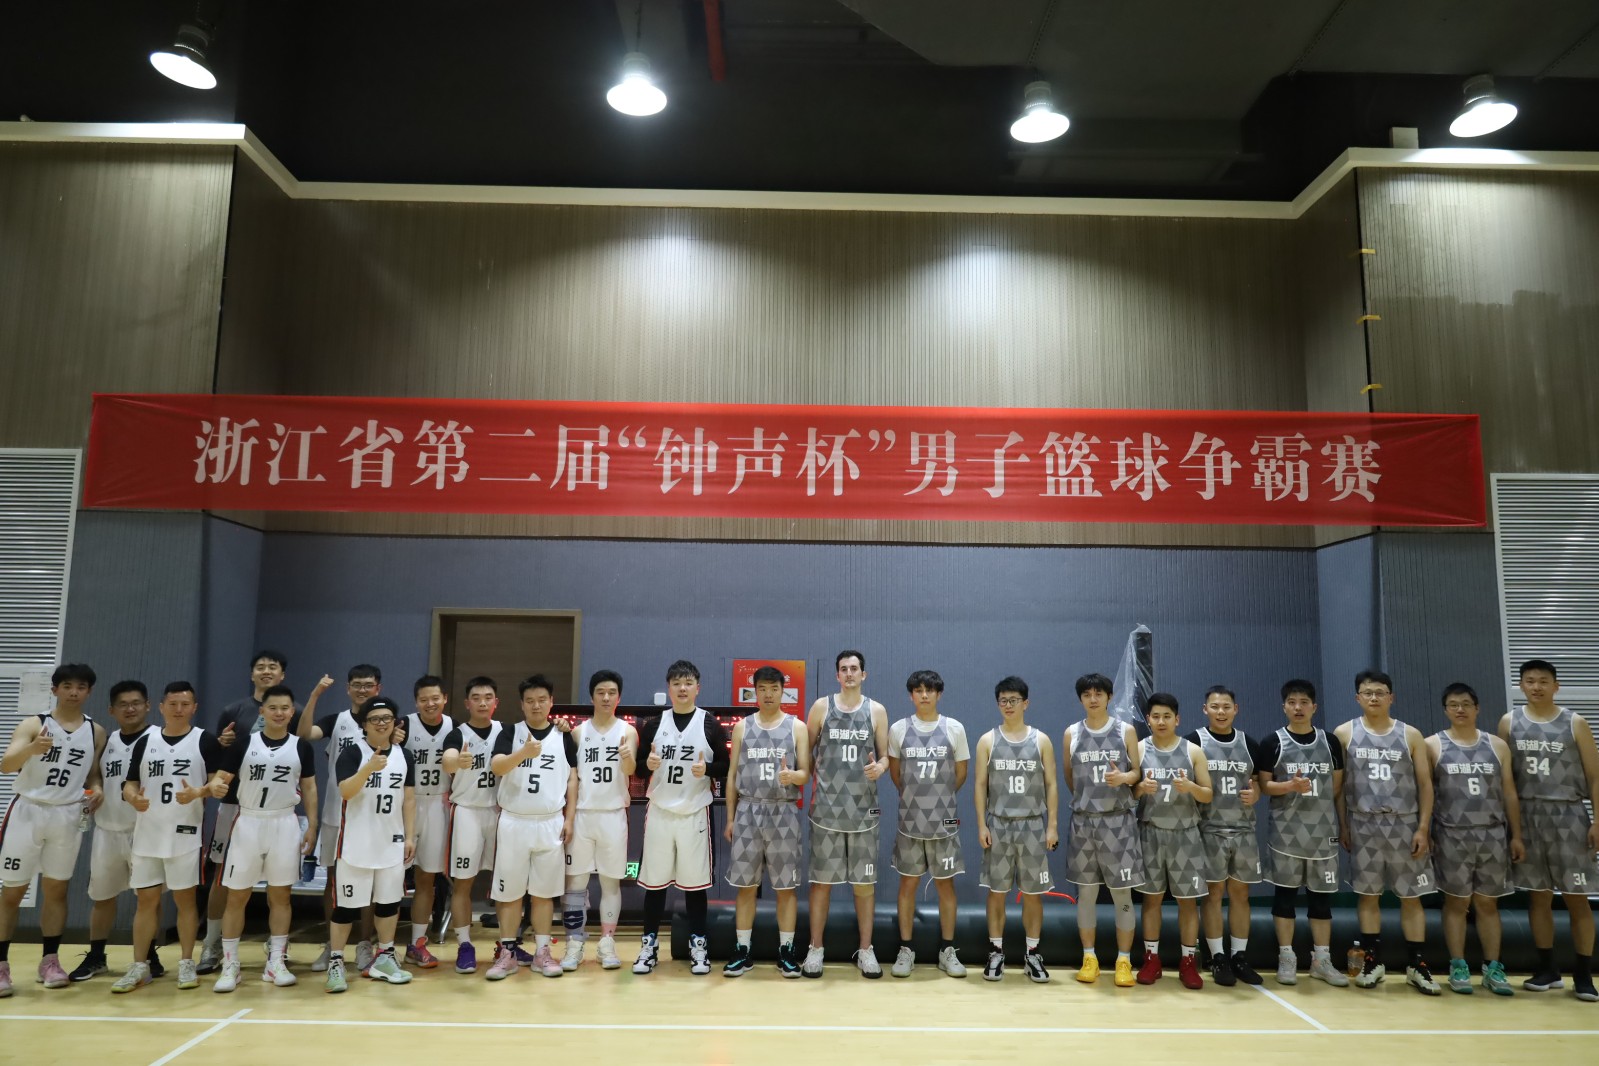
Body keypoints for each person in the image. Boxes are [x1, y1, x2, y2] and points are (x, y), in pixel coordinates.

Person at [111, 682, 227, 994]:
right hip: (148, 832)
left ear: (194, 708)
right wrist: (132, 797)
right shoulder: (145, 741)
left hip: (185, 834)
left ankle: (187, 962)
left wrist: (199, 792)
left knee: (184, 900)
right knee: (146, 901)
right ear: (161, 707)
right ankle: (140, 965)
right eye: (173, 704)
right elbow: (129, 783)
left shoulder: (204, 740)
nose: (178, 709)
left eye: (185, 704)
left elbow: (218, 782)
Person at [0, 663, 106, 997]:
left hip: (67, 815)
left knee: (57, 889)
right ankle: (1, 965)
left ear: (89, 692)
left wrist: (97, 788)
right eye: (68, 686)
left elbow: (92, 773)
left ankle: (50, 960)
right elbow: (6, 765)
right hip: (28, 811)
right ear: (55, 689)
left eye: (81, 687)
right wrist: (30, 749)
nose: (74, 692)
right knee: (12, 891)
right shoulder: (34, 724)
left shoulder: (96, 731)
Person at [1499, 658, 1599, 1001]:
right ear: (1521, 685)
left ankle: (1584, 974)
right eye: (1530, 681)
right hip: (1527, 814)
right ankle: (1548, 969)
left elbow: (1595, 776)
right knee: (1538, 896)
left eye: (1543, 681)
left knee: (1576, 897)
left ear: (1556, 686)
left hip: (1568, 813)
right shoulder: (1509, 722)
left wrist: (1597, 820)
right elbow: (1505, 778)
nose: (1536, 686)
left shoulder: (1575, 722)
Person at [1334, 669, 1439, 995]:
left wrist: (1423, 827)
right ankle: (1372, 960)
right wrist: (1343, 825)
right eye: (1368, 693)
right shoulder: (1344, 733)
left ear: (1391, 697)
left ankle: (1417, 964)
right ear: (1358, 698)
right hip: (1363, 822)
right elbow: (1339, 787)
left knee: (1411, 897)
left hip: (1404, 823)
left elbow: (1425, 785)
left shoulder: (1411, 734)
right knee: (1368, 896)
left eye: (1380, 692)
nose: (1374, 698)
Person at [210, 683, 320, 992]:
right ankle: (230, 964)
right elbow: (222, 778)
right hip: (248, 821)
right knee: (237, 896)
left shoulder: (301, 747)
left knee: (281, 896)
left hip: (285, 822)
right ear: (262, 711)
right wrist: (214, 786)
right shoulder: (244, 744)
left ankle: (275, 962)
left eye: (285, 708)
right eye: (273, 708)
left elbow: (309, 787)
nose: (279, 713)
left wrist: (312, 825)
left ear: (292, 712)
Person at [197, 649, 293, 975]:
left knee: (280, 884)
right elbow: (218, 755)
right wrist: (221, 743)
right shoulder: (234, 710)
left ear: (282, 674)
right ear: (252, 674)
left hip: (277, 810)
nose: (266, 671)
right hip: (236, 806)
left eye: (273, 667)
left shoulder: (292, 710)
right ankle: (212, 944)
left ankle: (277, 949)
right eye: (260, 667)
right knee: (223, 876)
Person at [632, 660, 730, 976]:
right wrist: (646, 764)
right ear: (669, 687)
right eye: (676, 683)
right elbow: (637, 769)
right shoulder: (653, 725)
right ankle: (649, 946)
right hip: (660, 811)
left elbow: (727, 766)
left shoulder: (710, 724)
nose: (682, 688)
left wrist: (708, 769)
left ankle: (698, 946)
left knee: (694, 886)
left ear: (697, 688)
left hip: (694, 812)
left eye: (688, 683)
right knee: (655, 885)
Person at [1428, 682, 1522, 995]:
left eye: (1466, 704)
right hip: (1451, 833)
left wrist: (1516, 835)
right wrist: (1425, 831)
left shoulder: (1497, 745)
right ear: (1445, 710)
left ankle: (1493, 967)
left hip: (1492, 834)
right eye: (1453, 705)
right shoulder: (1432, 745)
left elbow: (1509, 793)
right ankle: (1458, 965)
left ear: (1477, 708)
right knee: (1457, 903)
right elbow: (1425, 793)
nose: (1460, 709)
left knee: (1487, 904)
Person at [802, 649, 890, 978]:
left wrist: (880, 768)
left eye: (854, 668)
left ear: (863, 674)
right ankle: (815, 949)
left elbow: (885, 756)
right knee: (821, 884)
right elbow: (805, 751)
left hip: (863, 812)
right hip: (826, 810)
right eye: (844, 669)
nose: (849, 673)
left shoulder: (876, 710)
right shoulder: (821, 707)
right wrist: (811, 778)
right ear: (837, 675)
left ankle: (866, 950)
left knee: (864, 885)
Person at [485, 675, 578, 980]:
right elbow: (497, 766)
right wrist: (522, 753)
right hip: (515, 821)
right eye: (530, 701)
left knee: (544, 893)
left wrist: (569, 818)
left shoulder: (564, 735)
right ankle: (508, 952)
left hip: (550, 822)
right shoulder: (510, 732)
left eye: (542, 700)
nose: (536, 706)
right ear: (522, 704)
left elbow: (572, 779)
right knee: (510, 893)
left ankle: (542, 952)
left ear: (551, 702)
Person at [71, 680, 162, 982]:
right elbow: (94, 776)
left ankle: (149, 954)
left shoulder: (159, 739)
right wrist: (95, 788)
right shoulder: (106, 741)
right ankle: (97, 956)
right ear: (111, 710)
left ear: (148, 705)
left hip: (145, 831)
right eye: (123, 704)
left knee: (149, 898)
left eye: (136, 703)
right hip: (107, 829)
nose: (130, 708)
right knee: (102, 897)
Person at [297, 664, 386, 973]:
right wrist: (315, 695)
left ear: (378, 688)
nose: (362, 689)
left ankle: (365, 944)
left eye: (368, 685)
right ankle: (332, 945)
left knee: (370, 882)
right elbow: (304, 734)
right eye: (357, 684)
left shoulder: (387, 723)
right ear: (348, 689)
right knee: (333, 882)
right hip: (337, 814)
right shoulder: (337, 721)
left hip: (373, 817)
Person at [723, 666, 811, 978]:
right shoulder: (742, 727)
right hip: (748, 810)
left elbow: (806, 773)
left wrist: (793, 776)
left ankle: (786, 952)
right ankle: (742, 950)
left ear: (783, 691)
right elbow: (732, 776)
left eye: (774, 688)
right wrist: (730, 818)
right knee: (745, 886)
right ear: (755, 692)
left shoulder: (797, 727)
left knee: (786, 888)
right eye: (762, 688)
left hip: (783, 812)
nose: (768, 694)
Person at [1260, 678, 1347, 987]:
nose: (1298, 707)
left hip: (1323, 832)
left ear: (1314, 707)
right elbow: (1264, 785)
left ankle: (1321, 960)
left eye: (1304, 702)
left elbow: (1336, 786)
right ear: (1284, 707)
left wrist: (1341, 825)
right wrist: (1290, 786)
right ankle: (1287, 958)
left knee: (1321, 901)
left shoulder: (1330, 742)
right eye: (1292, 702)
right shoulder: (1272, 742)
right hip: (1286, 833)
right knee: (1284, 897)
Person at [326, 696, 416, 992]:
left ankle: (385, 957)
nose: (381, 723)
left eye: (387, 718)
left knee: (389, 904)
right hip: (356, 843)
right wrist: (368, 768)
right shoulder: (352, 753)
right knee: (346, 908)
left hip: (391, 842)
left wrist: (410, 836)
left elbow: (409, 799)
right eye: (375, 719)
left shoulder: (404, 755)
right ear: (364, 725)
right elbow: (346, 791)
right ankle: (336, 961)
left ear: (395, 723)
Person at [973, 676, 1058, 983]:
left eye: (1014, 700)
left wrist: (1052, 826)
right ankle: (996, 952)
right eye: (1003, 701)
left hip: (1033, 824)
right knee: (997, 892)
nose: (1008, 705)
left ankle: (1032, 954)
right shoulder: (987, 740)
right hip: (999, 823)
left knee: (1033, 894)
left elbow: (1051, 784)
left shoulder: (1041, 740)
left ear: (1026, 703)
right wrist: (981, 824)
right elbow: (980, 785)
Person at [1061, 671, 1144, 987]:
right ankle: (1089, 957)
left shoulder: (1126, 731)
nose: (1093, 699)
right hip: (1084, 822)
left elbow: (1137, 773)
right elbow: (1070, 777)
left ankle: (1124, 961)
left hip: (1118, 822)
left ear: (1109, 697)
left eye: (1098, 693)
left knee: (1122, 894)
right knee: (1086, 894)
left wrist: (1123, 778)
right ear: (1081, 699)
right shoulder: (1071, 733)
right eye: (1087, 694)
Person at [888, 669, 969, 979]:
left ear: (939, 694)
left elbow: (960, 774)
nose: (924, 695)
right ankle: (906, 949)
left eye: (930, 690)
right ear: (911, 695)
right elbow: (896, 774)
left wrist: (939, 799)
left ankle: (948, 950)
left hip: (943, 821)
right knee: (907, 885)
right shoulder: (898, 729)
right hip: (910, 820)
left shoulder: (955, 728)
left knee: (946, 886)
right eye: (918, 690)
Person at [1186, 684, 1264, 986]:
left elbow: (1258, 783)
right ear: (1205, 709)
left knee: (1241, 894)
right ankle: (1217, 957)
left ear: (1236, 709)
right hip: (1209, 829)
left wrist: (1255, 794)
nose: (1221, 712)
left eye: (1226, 706)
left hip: (1243, 829)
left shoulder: (1249, 744)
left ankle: (1239, 956)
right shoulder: (1194, 741)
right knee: (1214, 894)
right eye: (1215, 706)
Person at [1134, 693, 1213, 989]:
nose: (1161, 721)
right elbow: (1129, 794)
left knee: (1187, 902)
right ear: (1148, 720)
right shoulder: (1139, 749)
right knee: (1151, 899)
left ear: (1177, 719)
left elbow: (1208, 794)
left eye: (1167, 716)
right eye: (1155, 716)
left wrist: (1191, 786)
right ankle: (1151, 960)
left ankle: (1188, 962)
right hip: (1151, 832)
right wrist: (1140, 788)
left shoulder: (1193, 751)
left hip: (1185, 833)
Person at [561, 669, 637, 972]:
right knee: (576, 882)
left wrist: (627, 756)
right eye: (601, 692)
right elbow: (571, 777)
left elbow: (630, 771)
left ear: (619, 697)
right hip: (582, 814)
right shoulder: (578, 733)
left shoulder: (628, 731)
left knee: (610, 882)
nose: (606, 697)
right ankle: (574, 943)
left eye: (612, 693)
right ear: (592, 696)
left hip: (613, 814)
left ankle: (607, 942)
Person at [440, 676, 505, 973]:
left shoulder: (506, 731)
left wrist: (562, 726)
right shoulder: (457, 734)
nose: (482, 702)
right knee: (463, 883)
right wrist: (457, 762)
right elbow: (448, 760)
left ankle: (507, 945)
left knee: (505, 884)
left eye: (487, 697)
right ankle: (465, 945)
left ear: (496, 702)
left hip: (499, 812)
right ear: (467, 703)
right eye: (476, 698)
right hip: (467, 811)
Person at [402, 674, 454, 968]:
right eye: (424, 699)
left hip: (437, 804)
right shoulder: (403, 726)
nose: (430, 703)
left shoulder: (454, 728)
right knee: (389, 877)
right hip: (404, 803)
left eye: (435, 698)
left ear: (445, 698)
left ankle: (417, 943)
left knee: (426, 879)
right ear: (416, 702)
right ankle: (379, 946)